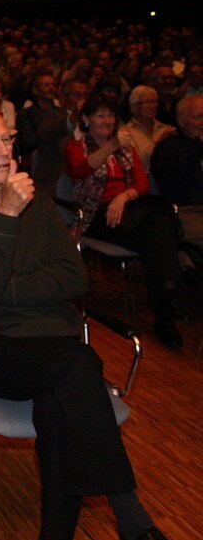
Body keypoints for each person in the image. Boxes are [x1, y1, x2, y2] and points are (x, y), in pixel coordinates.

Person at [0, 108, 182, 540]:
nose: (5, 150)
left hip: (55, 347)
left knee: (59, 403)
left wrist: (1, 288)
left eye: (6, 139)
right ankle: (133, 522)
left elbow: (72, 279)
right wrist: (6, 217)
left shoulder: (40, 205)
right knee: (79, 365)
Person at [64, 98, 185, 348]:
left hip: (127, 211)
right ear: (86, 120)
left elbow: (141, 184)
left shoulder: (127, 150)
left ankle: (164, 310)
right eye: (100, 116)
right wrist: (111, 146)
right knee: (160, 228)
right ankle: (167, 300)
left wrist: (121, 197)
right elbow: (80, 170)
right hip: (95, 214)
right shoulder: (76, 146)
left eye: (110, 116)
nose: (107, 121)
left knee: (157, 231)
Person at [151, 95, 203, 249]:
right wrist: (199, 144)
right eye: (199, 117)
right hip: (186, 211)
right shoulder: (169, 147)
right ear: (181, 121)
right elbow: (179, 182)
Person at [121, 85, 175, 177]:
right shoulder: (125, 132)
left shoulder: (165, 129)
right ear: (134, 107)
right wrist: (159, 141)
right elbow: (134, 162)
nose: (152, 106)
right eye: (147, 102)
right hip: (142, 179)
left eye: (154, 102)